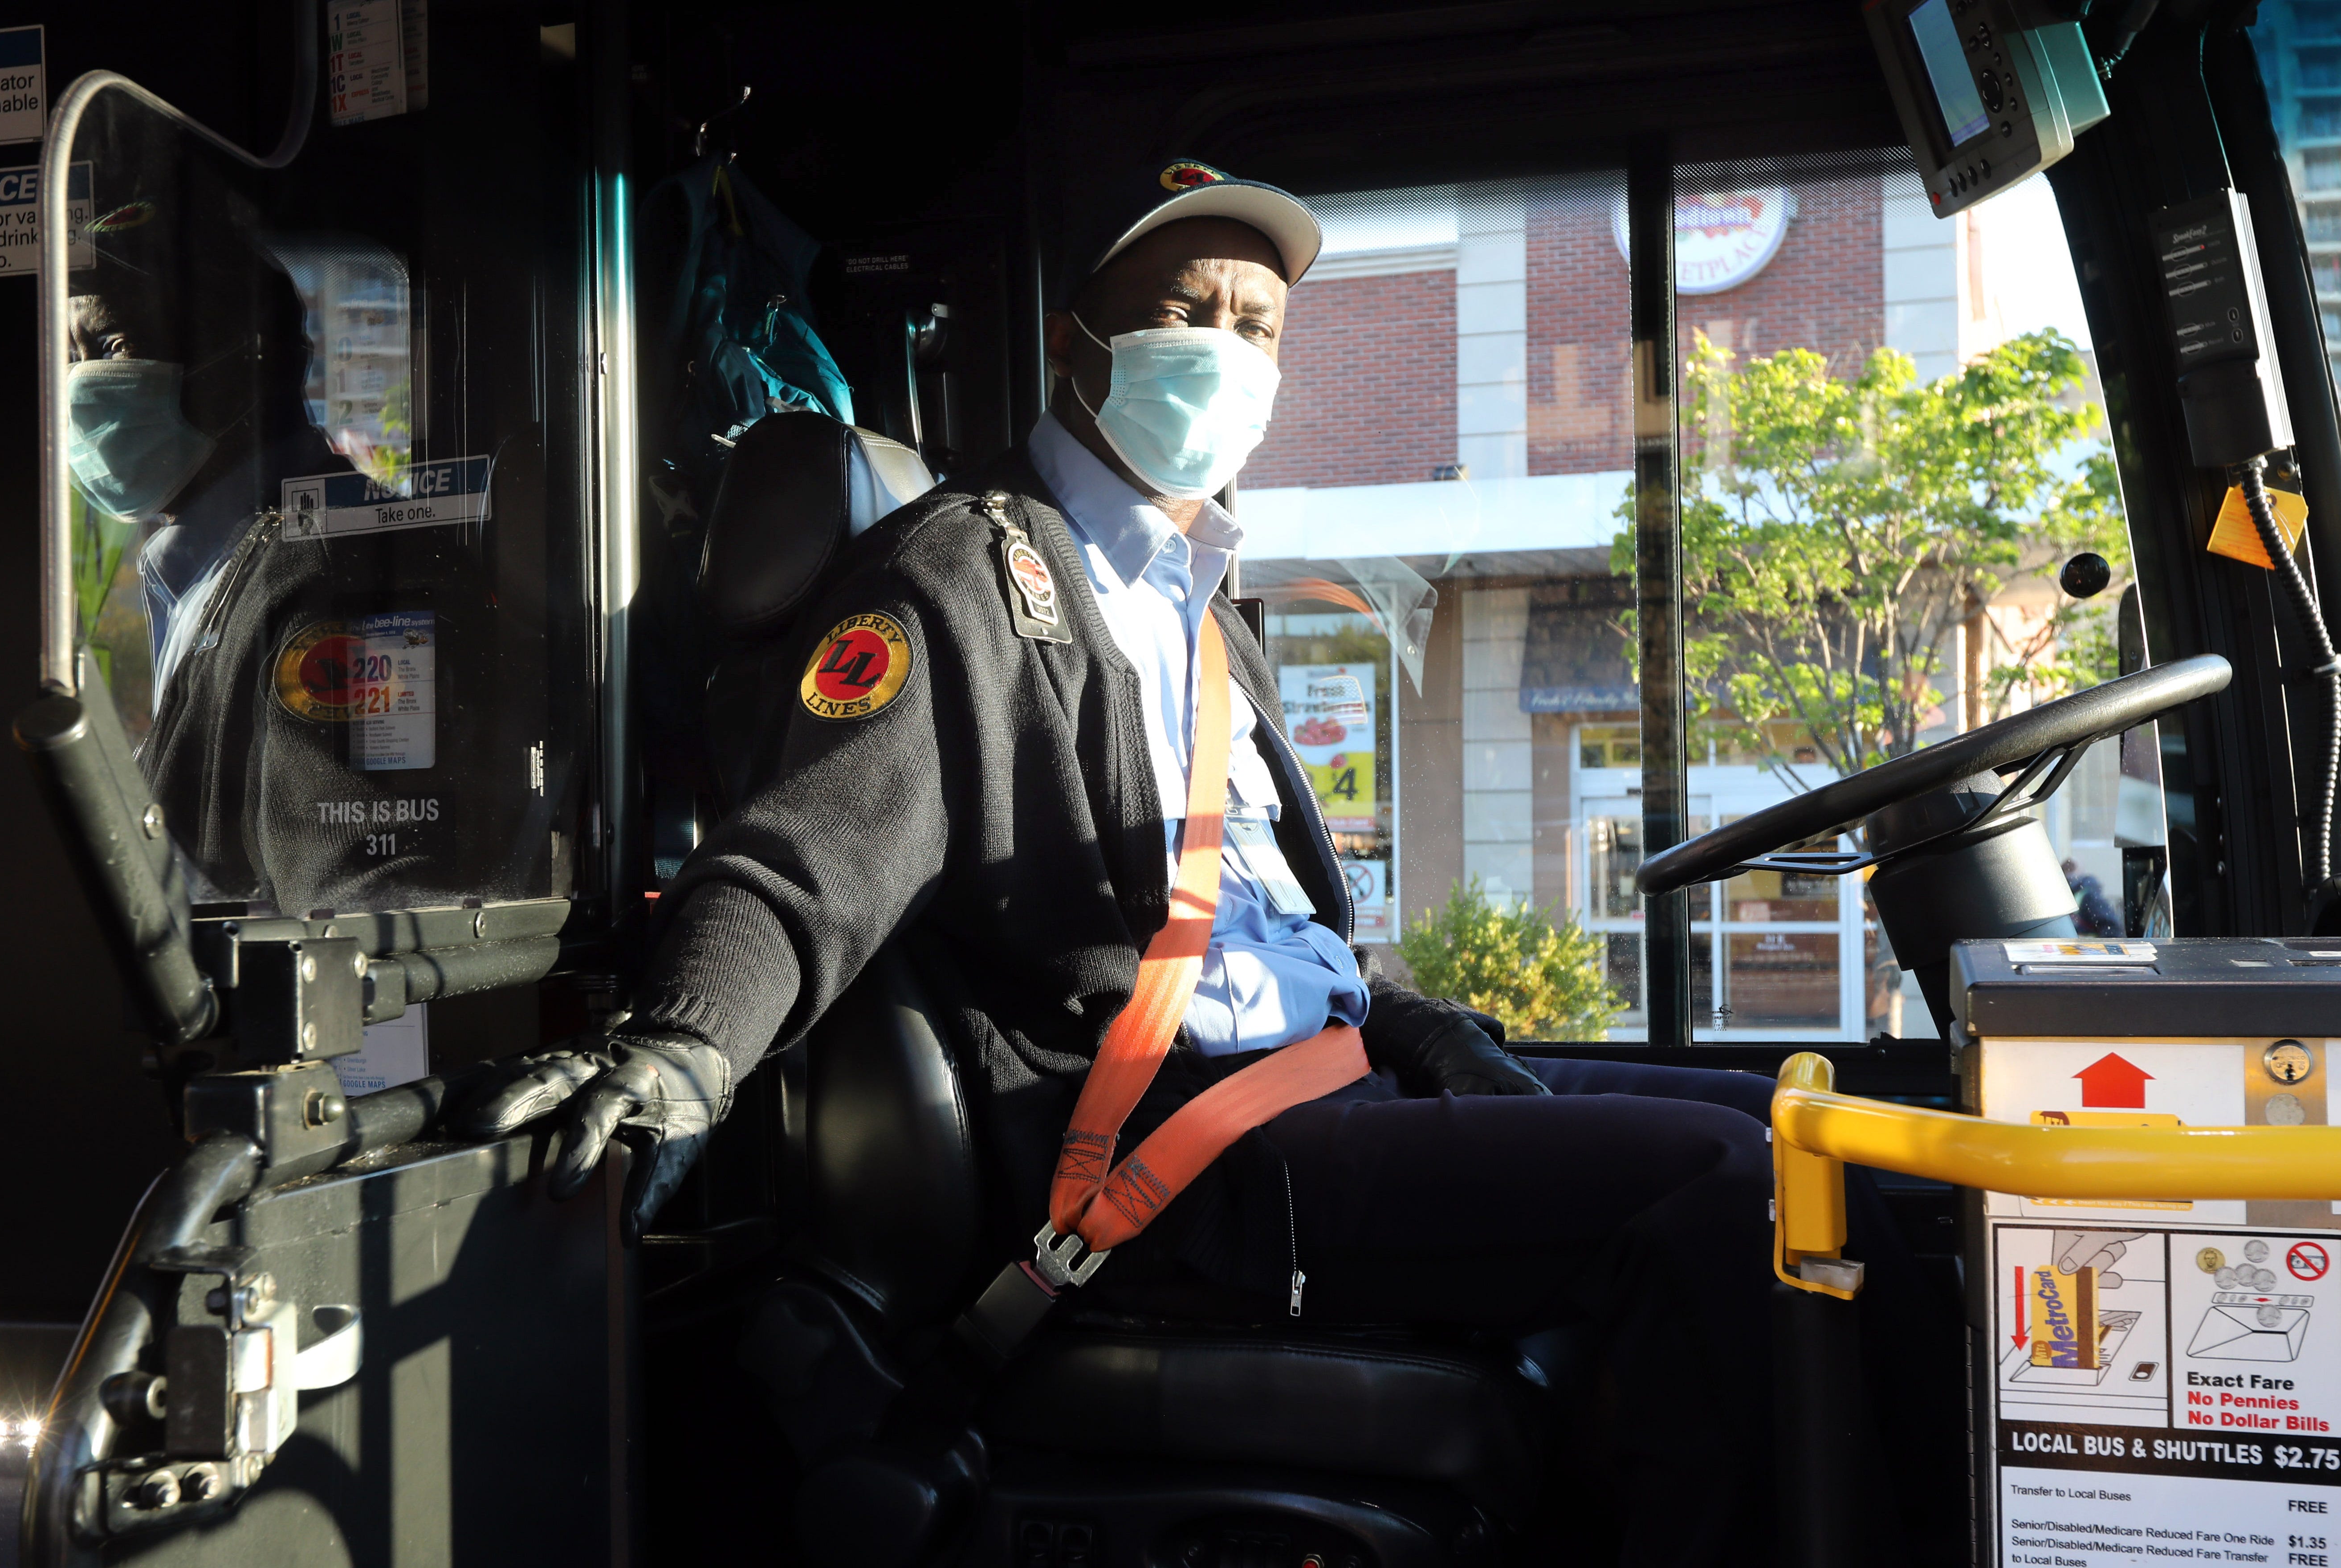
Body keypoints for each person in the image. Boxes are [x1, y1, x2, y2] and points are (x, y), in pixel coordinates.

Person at [460, 160, 1954, 1566]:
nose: (1228, 353)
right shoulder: (971, 576)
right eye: (1188, 313)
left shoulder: (1198, 600)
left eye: (1259, 326)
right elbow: (802, 861)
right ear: (1078, 342)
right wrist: (675, 1053)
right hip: (1181, 1166)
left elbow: (1270, 924)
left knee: (1816, 1125)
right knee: (1734, 1186)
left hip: (1322, 1086)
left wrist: (1419, 1027)